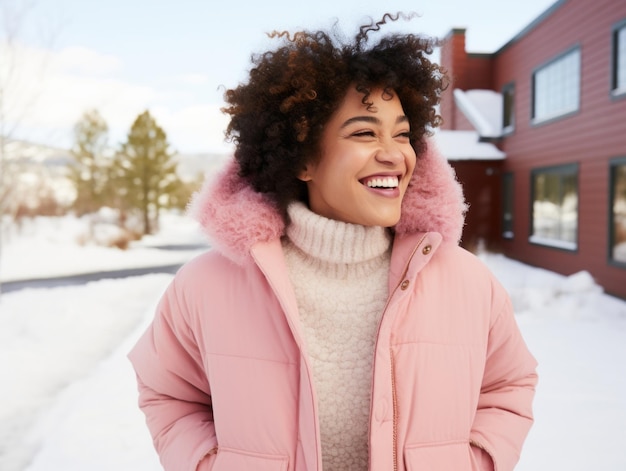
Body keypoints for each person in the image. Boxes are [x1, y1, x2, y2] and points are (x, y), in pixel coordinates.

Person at [128, 12, 538, 471]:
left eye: (402, 134)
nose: (394, 154)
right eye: (364, 132)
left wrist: (475, 462)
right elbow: (168, 394)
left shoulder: (467, 282)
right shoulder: (206, 286)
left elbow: (509, 386)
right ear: (302, 159)